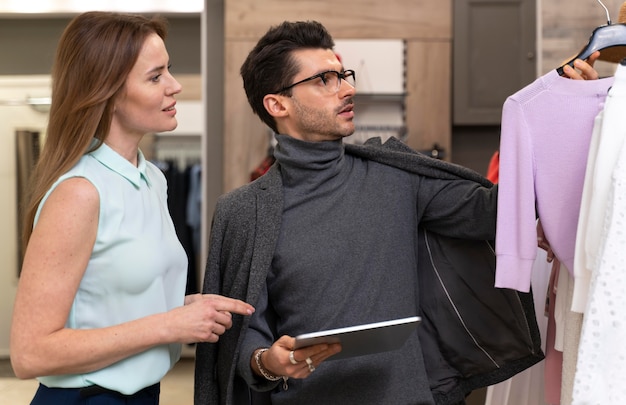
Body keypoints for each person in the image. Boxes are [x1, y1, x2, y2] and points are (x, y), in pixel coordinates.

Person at [193, 21, 600, 405]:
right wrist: (268, 362)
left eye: (343, 74)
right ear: (276, 104)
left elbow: (495, 212)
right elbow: (241, 335)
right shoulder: (244, 212)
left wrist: (560, 115)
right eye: (323, 80)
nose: (346, 89)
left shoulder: (395, 174)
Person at [9, 11, 254, 405]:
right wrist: (169, 324)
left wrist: (187, 307)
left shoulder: (151, 178)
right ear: (107, 92)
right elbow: (29, 353)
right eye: (155, 77)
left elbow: (117, 299)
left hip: (143, 395)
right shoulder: (80, 192)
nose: (175, 86)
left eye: (168, 70)